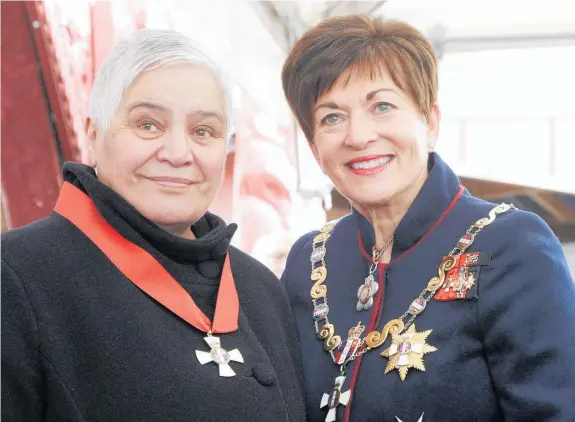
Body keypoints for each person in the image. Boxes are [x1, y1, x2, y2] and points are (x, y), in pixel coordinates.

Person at [280, 14, 575, 422]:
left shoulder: (510, 244)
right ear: (314, 148)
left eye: (382, 106)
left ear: (430, 122)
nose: (358, 135)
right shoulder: (309, 259)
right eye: (332, 117)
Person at [2, 29, 306, 422]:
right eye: (148, 124)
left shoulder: (260, 287)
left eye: (203, 132)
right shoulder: (18, 274)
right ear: (94, 137)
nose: (179, 154)